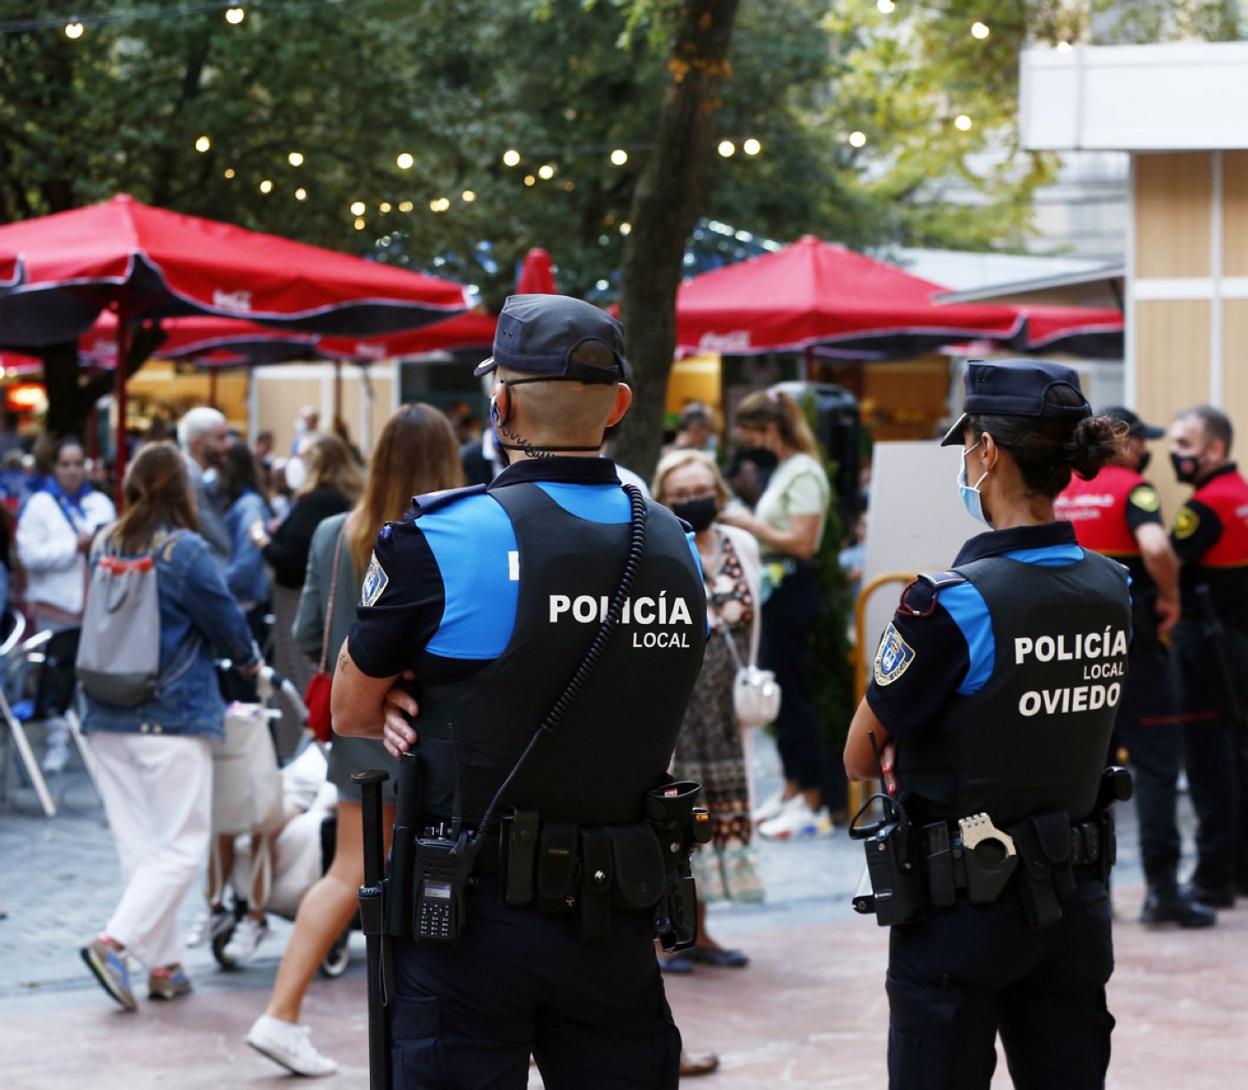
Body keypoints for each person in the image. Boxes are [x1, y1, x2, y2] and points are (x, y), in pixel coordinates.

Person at [331, 293, 707, 1089]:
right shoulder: (679, 546)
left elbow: (351, 711)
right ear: (621, 407)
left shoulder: (442, 537)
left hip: (471, 916)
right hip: (618, 908)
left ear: (499, 406)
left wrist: (412, 691)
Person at [844, 360, 1131, 1090]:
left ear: (988, 451)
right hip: (1074, 905)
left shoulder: (954, 602)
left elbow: (860, 752)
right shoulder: (1111, 585)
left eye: (967, 444)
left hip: (960, 914)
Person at [246, 403, 465, 1075]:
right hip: (443, 730)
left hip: (359, 722)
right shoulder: (462, 530)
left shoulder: (339, 531)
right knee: (458, 873)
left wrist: (365, 685)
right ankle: (476, 1030)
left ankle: (280, 1014)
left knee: (350, 871)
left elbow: (309, 634)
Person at [79, 442, 259, 1011]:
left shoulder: (106, 541)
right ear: (184, 491)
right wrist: (251, 662)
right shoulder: (186, 551)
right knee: (181, 847)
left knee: (143, 848)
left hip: (105, 712)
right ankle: (113, 944)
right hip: (171, 714)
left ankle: (164, 967)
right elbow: (227, 621)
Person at [1054, 407, 1214, 928]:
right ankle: (1162, 889)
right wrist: (1170, 597)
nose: (1147, 451)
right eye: (1141, 441)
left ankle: (1081, 887)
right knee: (1156, 763)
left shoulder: (1060, 491)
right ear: (1123, 446)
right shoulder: (1134, 490)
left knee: (1080, 769)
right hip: (1134, 643)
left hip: (1067, 649)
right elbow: (1154, 545)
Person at [653, 449, 763, 978]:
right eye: (678, 496)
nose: (692, 501)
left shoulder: (741, 545)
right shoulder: (657, 548)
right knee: (673, 824)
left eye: (700, 491)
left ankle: (699, 928)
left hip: (725, 715)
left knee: (715, 820)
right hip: (674, 714)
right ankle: (665, 934)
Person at [719, 387, 832, 839]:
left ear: (770, 428)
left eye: (750, 432)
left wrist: (749, 524)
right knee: (781, 696)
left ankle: (811, 799)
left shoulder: (803, 471)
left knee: (794, 699)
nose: (749, 442)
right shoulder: (789, 468)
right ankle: (791, 789)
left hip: (792, 589)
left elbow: (803, 542)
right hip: (778, 591)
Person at [1167, 404, 1248, 907]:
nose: (1176, 455)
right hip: (1240, 646)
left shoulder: (1204, 508)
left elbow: (1168, 566)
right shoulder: (1241, 496)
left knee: (1208, 761)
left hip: (1210, 650)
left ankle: (1213, 877)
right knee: (1239, 756)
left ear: (1214, 450)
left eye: (1184, 445)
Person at [15, 435, 115, 773]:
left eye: (78, 464)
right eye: (65, 464)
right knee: (57, 674)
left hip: (97, 606)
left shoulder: (99, 503)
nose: (73, 471)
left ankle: (92, 739)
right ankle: (57, 742)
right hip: (57, 605)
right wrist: (75, 546)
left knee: (92, 675)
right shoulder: (40, 505)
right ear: (54, 467)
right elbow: (30, 555)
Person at [254, 434, 361, 715]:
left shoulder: (316, 501)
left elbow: (291, 560)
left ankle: (302, 752)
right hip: (337, 599)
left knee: (299, 685)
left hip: (299, 598)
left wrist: (263, 542)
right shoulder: (349, 496)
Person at [177, 406, 232, 559]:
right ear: (197, 444)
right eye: (220, 438)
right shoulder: (190, 480)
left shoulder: (191, 476)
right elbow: (217, 541)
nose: (228, 445)